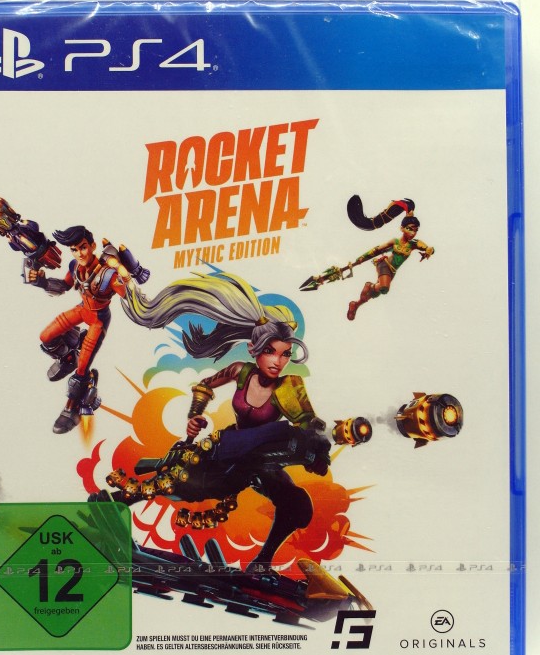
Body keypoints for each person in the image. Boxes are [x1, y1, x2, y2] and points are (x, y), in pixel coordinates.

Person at [123, 271, 329, 571]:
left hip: (262, 458)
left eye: (285, 354)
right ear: (254, 350)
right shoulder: (240, 371)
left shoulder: (289, 387)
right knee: (183, 485)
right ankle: (115, 503)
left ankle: (261, 566)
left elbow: (309, 424)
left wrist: (319, 449)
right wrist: (195, 415)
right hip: (230, 447)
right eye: (270, 352)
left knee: (297, 505)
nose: (278, 361)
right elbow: (204, 385)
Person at [30, 226, 149, 434]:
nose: (79, 254)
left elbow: (130, 296)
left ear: (92, 246)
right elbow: (64, 286)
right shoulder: (75, 266)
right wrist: (41, 282)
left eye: (83, 247)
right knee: (46, 337)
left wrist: (126, 275)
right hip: (82, 310)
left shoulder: (108, 275)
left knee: (82, 371)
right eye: (74, 250)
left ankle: (71, 408)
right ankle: (68, 358)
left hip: (98, 320)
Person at [346, 215, 434, 320]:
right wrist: (362, 257)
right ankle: (369, 285)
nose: (412, 233)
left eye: (415, 230)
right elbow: (377, 249)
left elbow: (428, 248)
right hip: (384, 264)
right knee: (384, 288)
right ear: (402, 228)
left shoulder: (413, 244)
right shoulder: (395, 242)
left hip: (392, 271)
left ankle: (356, 304)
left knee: (378, 292)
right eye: (410, 229)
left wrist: (429, 251)